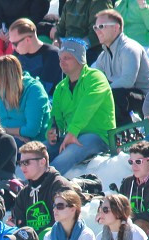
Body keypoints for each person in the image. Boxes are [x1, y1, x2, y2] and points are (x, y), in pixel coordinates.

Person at [46, 39, 114, 175]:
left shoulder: (96, 77)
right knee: (38, 151)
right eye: (60, 58)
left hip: (98, 136)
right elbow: (56, 118)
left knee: (68, 154)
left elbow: (87, 107)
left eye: (67, 58)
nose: (61, 62)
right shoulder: (60, 87)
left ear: (80, 59)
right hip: (71, 135)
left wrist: (72, 132)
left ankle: (44, 183)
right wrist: (52, 132)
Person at [92, 9, 149, 123]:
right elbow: (96, 82)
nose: (97, 31)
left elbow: (127, 81)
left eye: (101, 26)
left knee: (114, 96)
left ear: (116, 28)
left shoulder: (129, 48)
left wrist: (101, 92)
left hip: (146, 102)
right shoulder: (102, 56)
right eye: (95, 27)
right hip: (124, 99)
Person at [0, 54, 49, 144]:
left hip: (33, 142)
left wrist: (6, 131)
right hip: (5, 136)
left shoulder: (34, 90)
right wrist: (9, 133)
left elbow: (32, 130)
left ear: (6, 78)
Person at [7, 18, 62, 95]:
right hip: (18, 100)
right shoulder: (17, 53)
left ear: (27, 40)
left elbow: (42, 91)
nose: (12, 47)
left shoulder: (52, 55)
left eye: (15, 44)